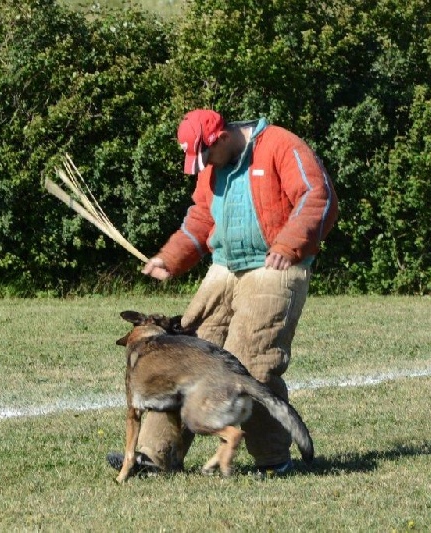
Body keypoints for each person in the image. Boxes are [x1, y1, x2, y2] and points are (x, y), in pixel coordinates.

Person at [107, 109, 338, 476]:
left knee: (250, 363)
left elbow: (317, 198)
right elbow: (201, 217)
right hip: (224, 268)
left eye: (206, 155)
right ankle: (155, 455)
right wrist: (170, 258)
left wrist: (288, 244)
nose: (203, 165)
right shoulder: (212, 168)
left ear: (221, 138)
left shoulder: (281, 144)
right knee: (180, 352)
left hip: (274, 267)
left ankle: (273, 460)